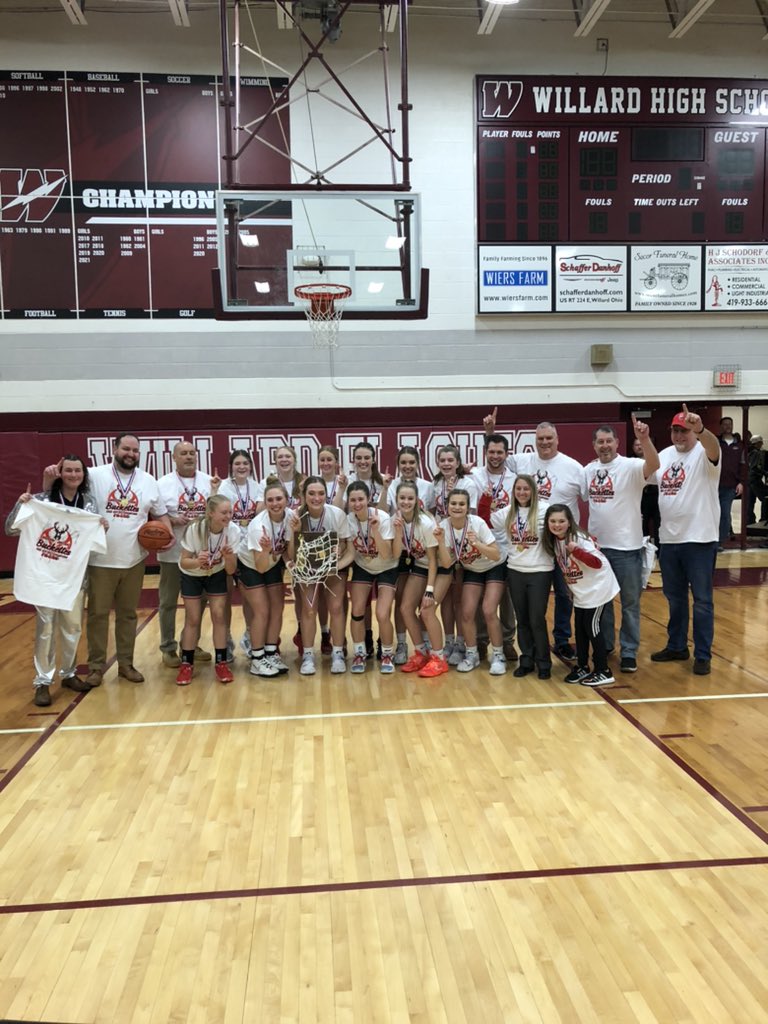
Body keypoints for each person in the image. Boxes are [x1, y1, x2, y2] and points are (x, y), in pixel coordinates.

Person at [5, 456, 107, 706]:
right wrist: (20, 505)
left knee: (73, 628)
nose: (73, 475)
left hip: (74, 578)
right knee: (46, 630)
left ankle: (69, 673)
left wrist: (101, 526)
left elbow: (93, 544)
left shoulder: (90, 503)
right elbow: (11, 529)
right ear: (60, 473)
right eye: (68, 470)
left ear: (84, 475)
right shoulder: (40, 500)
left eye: (78, 471)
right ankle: (42, 681)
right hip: (43, 577)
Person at [484, 409, 583, 661]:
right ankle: (530, 654)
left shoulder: (573, 467)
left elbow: (591, 498)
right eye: (540, 438)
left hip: (561, 543)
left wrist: (583, 538)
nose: (544, 442)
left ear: (557, 439)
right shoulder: (523, 461)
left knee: (564, 594)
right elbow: (497, 456)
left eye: (549, 438)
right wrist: (490, 433)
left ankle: (561, 640)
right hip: (528, 550)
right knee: (529, 610)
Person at [85, 433, 172, 686]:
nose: (130, 454)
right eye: (126, 449)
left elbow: (161, 513)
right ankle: (95, 667)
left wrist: (168, 534)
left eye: (135, 450)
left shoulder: (148, 480)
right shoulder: (94, 475)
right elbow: (65, 489)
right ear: (115, 449)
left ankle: (126, 664)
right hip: (101, 559)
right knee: (97, 615)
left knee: (128, 615)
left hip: (134, 560)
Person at [583, 417, 659, 673]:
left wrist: (645, 438)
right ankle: (605, 644)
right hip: (598, 549)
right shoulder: (589, 471)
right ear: (594, 445)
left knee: (629, 603)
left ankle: (629, 651)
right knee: (602, 601)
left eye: (609, 441)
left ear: (617, 442)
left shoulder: (631, 466)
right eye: (600, 442)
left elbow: (655, 464)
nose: (605, 445)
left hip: (627, 549)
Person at [651, 405, 720, 676]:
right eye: (676, 431)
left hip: (700, 539)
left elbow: (713, 447)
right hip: (669, 539)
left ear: (694, 432)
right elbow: (646, 475)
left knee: (702, 600)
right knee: (675, 598)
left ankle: (703, 654)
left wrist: (702, 429)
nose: (680, 436)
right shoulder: (665, 455)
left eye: (685, 431)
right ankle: (677, 645)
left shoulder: (705, 453)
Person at [541, 504, 619, 688]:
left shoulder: (579, 539)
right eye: (553, 521)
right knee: (581, 630)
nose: (557, 525)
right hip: (582, 589)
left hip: (598, 588)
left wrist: (577, 550)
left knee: (592, 628)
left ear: (569, 522)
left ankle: (603, 670)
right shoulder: (555, 540)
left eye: (561, 521)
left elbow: (597, 563)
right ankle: (583, 666)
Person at [156, 440, 216, 667]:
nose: (189, 457)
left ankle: (190, 643)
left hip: (199, 552)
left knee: (198, 602)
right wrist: (172, 519)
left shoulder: (208, 481)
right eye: (183, 453)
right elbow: (154, 513)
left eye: (192, 453)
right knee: (168, 601)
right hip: (172, 553)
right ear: (174, 457)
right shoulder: (162, 484)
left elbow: (216, 511)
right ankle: (168, 648)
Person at [436, 488, 506, 674]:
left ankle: (498, 656)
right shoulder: (444, 526)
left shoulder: (477, 523)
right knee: (466, 613)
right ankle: (472, 654)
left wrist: (476, 544)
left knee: (489, 610)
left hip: (494, 567)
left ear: (468, 507)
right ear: (447, 505)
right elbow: (445, 562)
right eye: (453, 503)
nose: (457, 507)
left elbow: (496, 554)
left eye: (461, 504)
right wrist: (442, 542)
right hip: (473, 570)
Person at [288, 476, 352, 676]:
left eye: (321, 493)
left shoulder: (337, 514)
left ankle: (338, 653)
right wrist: (295, 533)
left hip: (333, 567)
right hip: (307, 568)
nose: (317, 498)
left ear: (327, 494)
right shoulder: (295, 516)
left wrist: (338, 554)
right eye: (312, 493)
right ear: (303, 495)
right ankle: (308, 655)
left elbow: (345, 545)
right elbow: (291, 554)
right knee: (308, 610)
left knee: (336, 608)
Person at [492, 474, 553, 680]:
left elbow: (561, 527)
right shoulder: (506, 513)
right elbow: (485, 520)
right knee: (522, 619)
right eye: (518, 489)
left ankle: (544, 662)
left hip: (540, 571)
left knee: (537, 618)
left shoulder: (545, 509)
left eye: (526, 489)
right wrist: (485, 500)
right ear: (513, 491)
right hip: (515, 570)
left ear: (533, 491)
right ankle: (526, 659)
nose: (522, 492)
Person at [175, 495, 239, 685]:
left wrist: (228, 557)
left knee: (219, 615)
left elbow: (231, 570)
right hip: (191, 574)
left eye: (230, 512)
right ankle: (186, 664)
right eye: (224, 512)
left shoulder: (232, 531)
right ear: (211, 513)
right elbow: (184, 562)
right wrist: (197, 561)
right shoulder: (195, 529)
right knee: (193, 618)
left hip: (217, 573)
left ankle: (221, 662)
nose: (228, 516)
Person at [391, 480, 452, 678]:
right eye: (402, 498)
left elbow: (434, 561)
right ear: (397, 499)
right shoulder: (397, 520)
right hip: (420, 566)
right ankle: (420, 653)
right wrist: (399, 532)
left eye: (410, 498)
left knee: (426, 611)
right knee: (405, 608)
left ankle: (439, 658)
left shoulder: (425, 523)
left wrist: (429, 590)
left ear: (417, 501)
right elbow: (395, 554)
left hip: (440, 569)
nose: (406, 502)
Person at [470, 432, 518, 663]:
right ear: (485, 453)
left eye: (500, 452)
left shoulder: (514, 479)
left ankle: (508, 641)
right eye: (491, 452)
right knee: (481, 599)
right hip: (481, 544)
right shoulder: (474, 475)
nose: (495, 456)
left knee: (506, 598)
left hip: (507, 545)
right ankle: (480, 641)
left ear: (506, 454)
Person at [240, 482, 294, 678]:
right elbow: (260, 566)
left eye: (279, 499)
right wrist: (265, 550)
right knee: (262, 611)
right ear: (265, 502)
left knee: (277, 608)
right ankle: (257, 658)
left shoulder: (291, 517)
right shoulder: (258, 527)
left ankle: (271, 653)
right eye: (269, 500)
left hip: (273, 561)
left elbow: (288, 550)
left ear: (287, 500)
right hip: (251, 565)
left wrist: (289, 562)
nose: (275, 503)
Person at [346, 481, 398, 674]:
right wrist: (330, 567)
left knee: (382, 614)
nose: (357, 503)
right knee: (357, 611)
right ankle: (359, 652)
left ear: (369, 499)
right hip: (363, 567)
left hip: (387, 567)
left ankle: (386, 653)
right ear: (349, 501)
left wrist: (375, 531)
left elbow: (387, 554)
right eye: (353, 500)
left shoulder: (382, 518)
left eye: (361, 499)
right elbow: (351, 554)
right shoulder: (348, 520)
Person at [218, 448, 262, 657]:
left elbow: (262, 514)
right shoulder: (223, 487)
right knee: (225, 596)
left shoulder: (258, 486)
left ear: (251, 466)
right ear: (231, 467)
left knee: (248, 596)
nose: (242, 466)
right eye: (237, 463)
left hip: (249, 548)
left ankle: (249, 634)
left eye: (245, 463)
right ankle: (225, 639)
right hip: (228, 544)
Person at [716, 416, 746, 549]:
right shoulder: (715, 443)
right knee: (711, 514)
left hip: (730, 486)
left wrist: (741, 482)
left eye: (730, 424)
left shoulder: (740, 446)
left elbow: (743, 465)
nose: (728, 426)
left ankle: (719, 542)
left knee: (724, 514)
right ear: (721, 427)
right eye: (725, 424)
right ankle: (709, 540)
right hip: (713, 485)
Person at [632, 436, 660, 546]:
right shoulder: (630, 462)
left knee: (659, 524)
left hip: (656, 495)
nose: (639, 447)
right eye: (636, 445)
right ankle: (644, 549)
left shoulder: (657, 460)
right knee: (642, 525)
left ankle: (659, 550)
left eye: (641, 444)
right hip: (641, 496)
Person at [747, 435, 767, 525]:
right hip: (755, 479)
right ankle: (764, 519)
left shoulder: (749, 452)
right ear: (757, 443)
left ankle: (750, 521)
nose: (762, 443)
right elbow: (755, 467)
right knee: (766, 498)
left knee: (750, 502)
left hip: (749, 480)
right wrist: (765, 473)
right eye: (761, 442)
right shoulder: (756, 453)